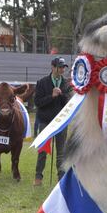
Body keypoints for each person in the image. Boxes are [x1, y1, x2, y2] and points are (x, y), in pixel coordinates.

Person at [33, 56, 70, 185]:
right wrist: (51, 96)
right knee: (42, 150)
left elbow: (68, 103)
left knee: (61, 152)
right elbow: (37, 102)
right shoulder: (42, 82)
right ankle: (38, 176)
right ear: (53, 67)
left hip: (61, 123)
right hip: (45, 122)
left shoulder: (66, 83)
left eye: (63, 67)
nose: (62, 70)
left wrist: (62, 95)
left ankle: (61, 178)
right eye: (59, 67)